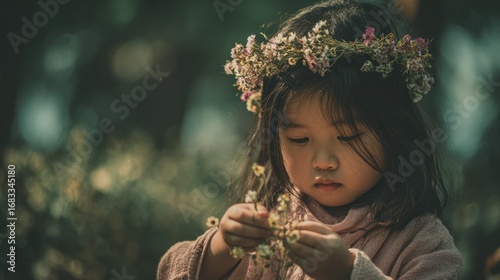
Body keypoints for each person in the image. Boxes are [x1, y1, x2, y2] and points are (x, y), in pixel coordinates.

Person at [157, 0, 462, 279]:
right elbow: (169, 270)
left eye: (349, 136)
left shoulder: (421, 242)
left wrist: (347, 272)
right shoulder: (268, 223)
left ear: (394, 131)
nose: (323, 161)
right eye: (299, 139)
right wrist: (220, 248)